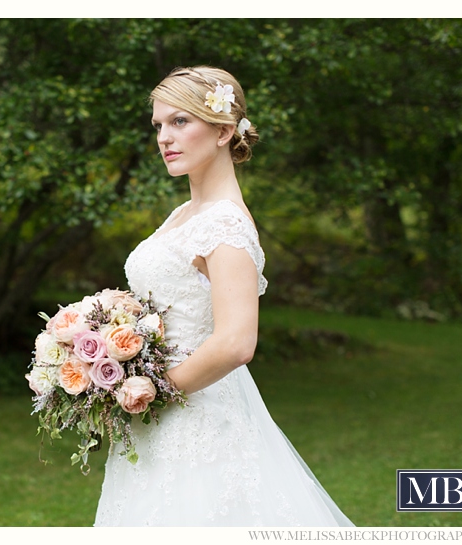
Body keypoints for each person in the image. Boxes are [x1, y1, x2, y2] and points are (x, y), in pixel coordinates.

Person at [93, 66, 354, 527]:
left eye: (180, 121)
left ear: (224, 131)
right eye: (158, 125)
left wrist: (152, 389)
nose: (164, 138)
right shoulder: (186, 213)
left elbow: (236, 342)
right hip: (158, 418)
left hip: (197, 420)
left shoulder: (226, 226)